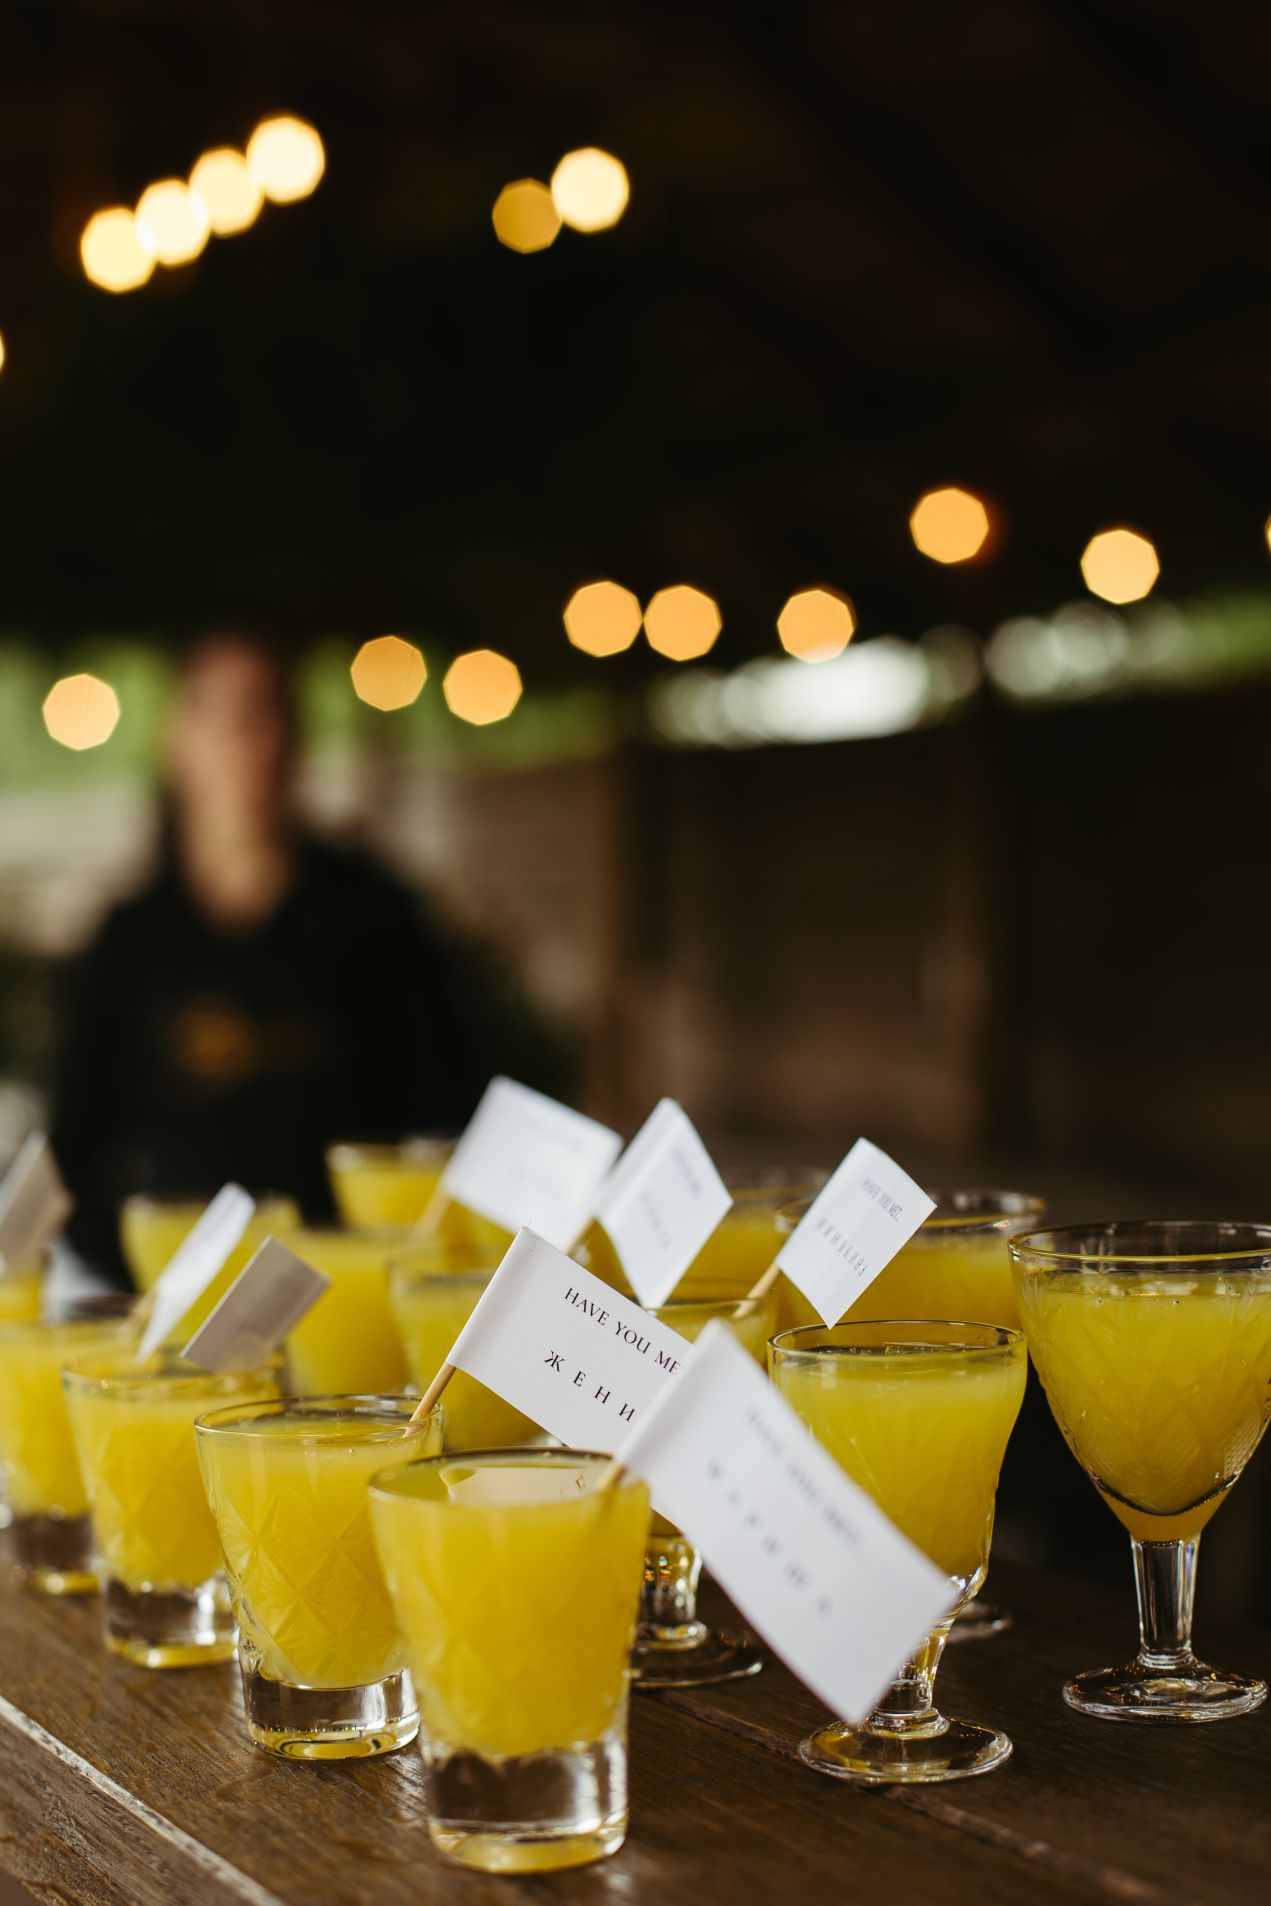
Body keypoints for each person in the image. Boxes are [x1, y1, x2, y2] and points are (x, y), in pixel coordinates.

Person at [52, 632, 561, 1287]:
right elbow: (71, 1147)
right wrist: (140, 1280)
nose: (251, 742)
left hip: (351, 1289)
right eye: (226, 715)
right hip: (179, 1297)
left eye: (268, 713)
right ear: (177, 739)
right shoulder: (129, 941)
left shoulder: (374, 915)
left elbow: (451, 1116)